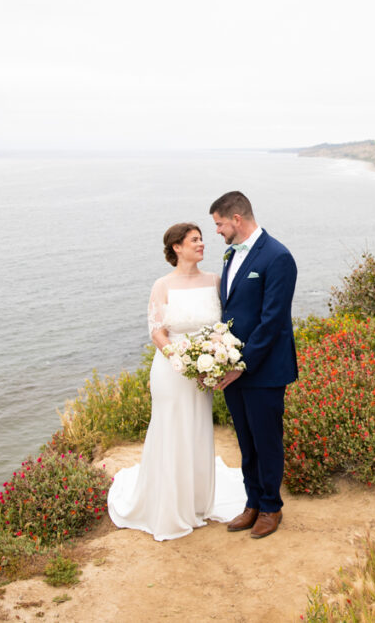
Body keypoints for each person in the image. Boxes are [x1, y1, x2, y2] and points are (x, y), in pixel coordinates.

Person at [107, 222, 245, 540]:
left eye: (201, 239)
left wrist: (215, 356)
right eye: (194, 240)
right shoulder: (162, 285)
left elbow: (225, 322)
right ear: (177, 248)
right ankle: (168, 504)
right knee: (171, 428)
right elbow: (157, 331)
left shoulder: (215, 280)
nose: (201, 244)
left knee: (197, 428)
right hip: (172, 369)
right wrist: (180, 359)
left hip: (205, 369)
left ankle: (197, 501)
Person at [211, 191, 298, 539]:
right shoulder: (232, 254)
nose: (216, 231)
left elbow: (273, 321)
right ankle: (252, 503)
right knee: (245, 441)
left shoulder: (278, 257)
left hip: (263, 369)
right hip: (233, 368)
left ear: (236, 219)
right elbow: (231, 311)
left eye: (218, 224)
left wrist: (242, 364)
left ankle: (271, 508)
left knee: (266, 441)